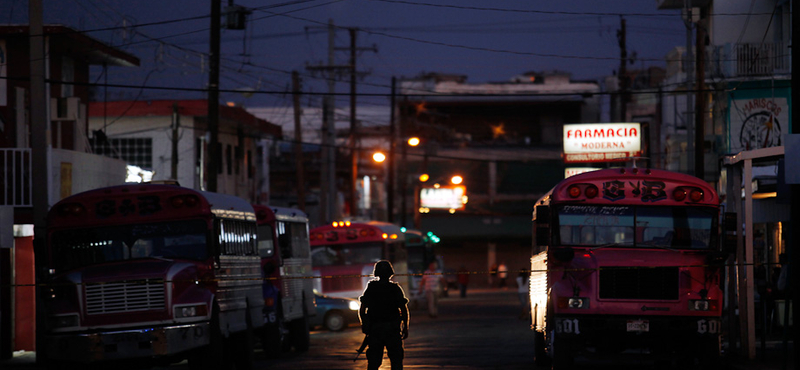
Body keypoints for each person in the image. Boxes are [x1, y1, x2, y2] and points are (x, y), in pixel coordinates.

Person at [359, 260, 410, 370]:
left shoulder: (371, 288)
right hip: (392, 330)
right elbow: (404, 310)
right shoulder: (395, 289)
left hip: (375, 331)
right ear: (390, 273)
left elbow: (362, 309)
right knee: (396, 362)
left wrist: (365, 324)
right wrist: (405, 327)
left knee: (373, 363)